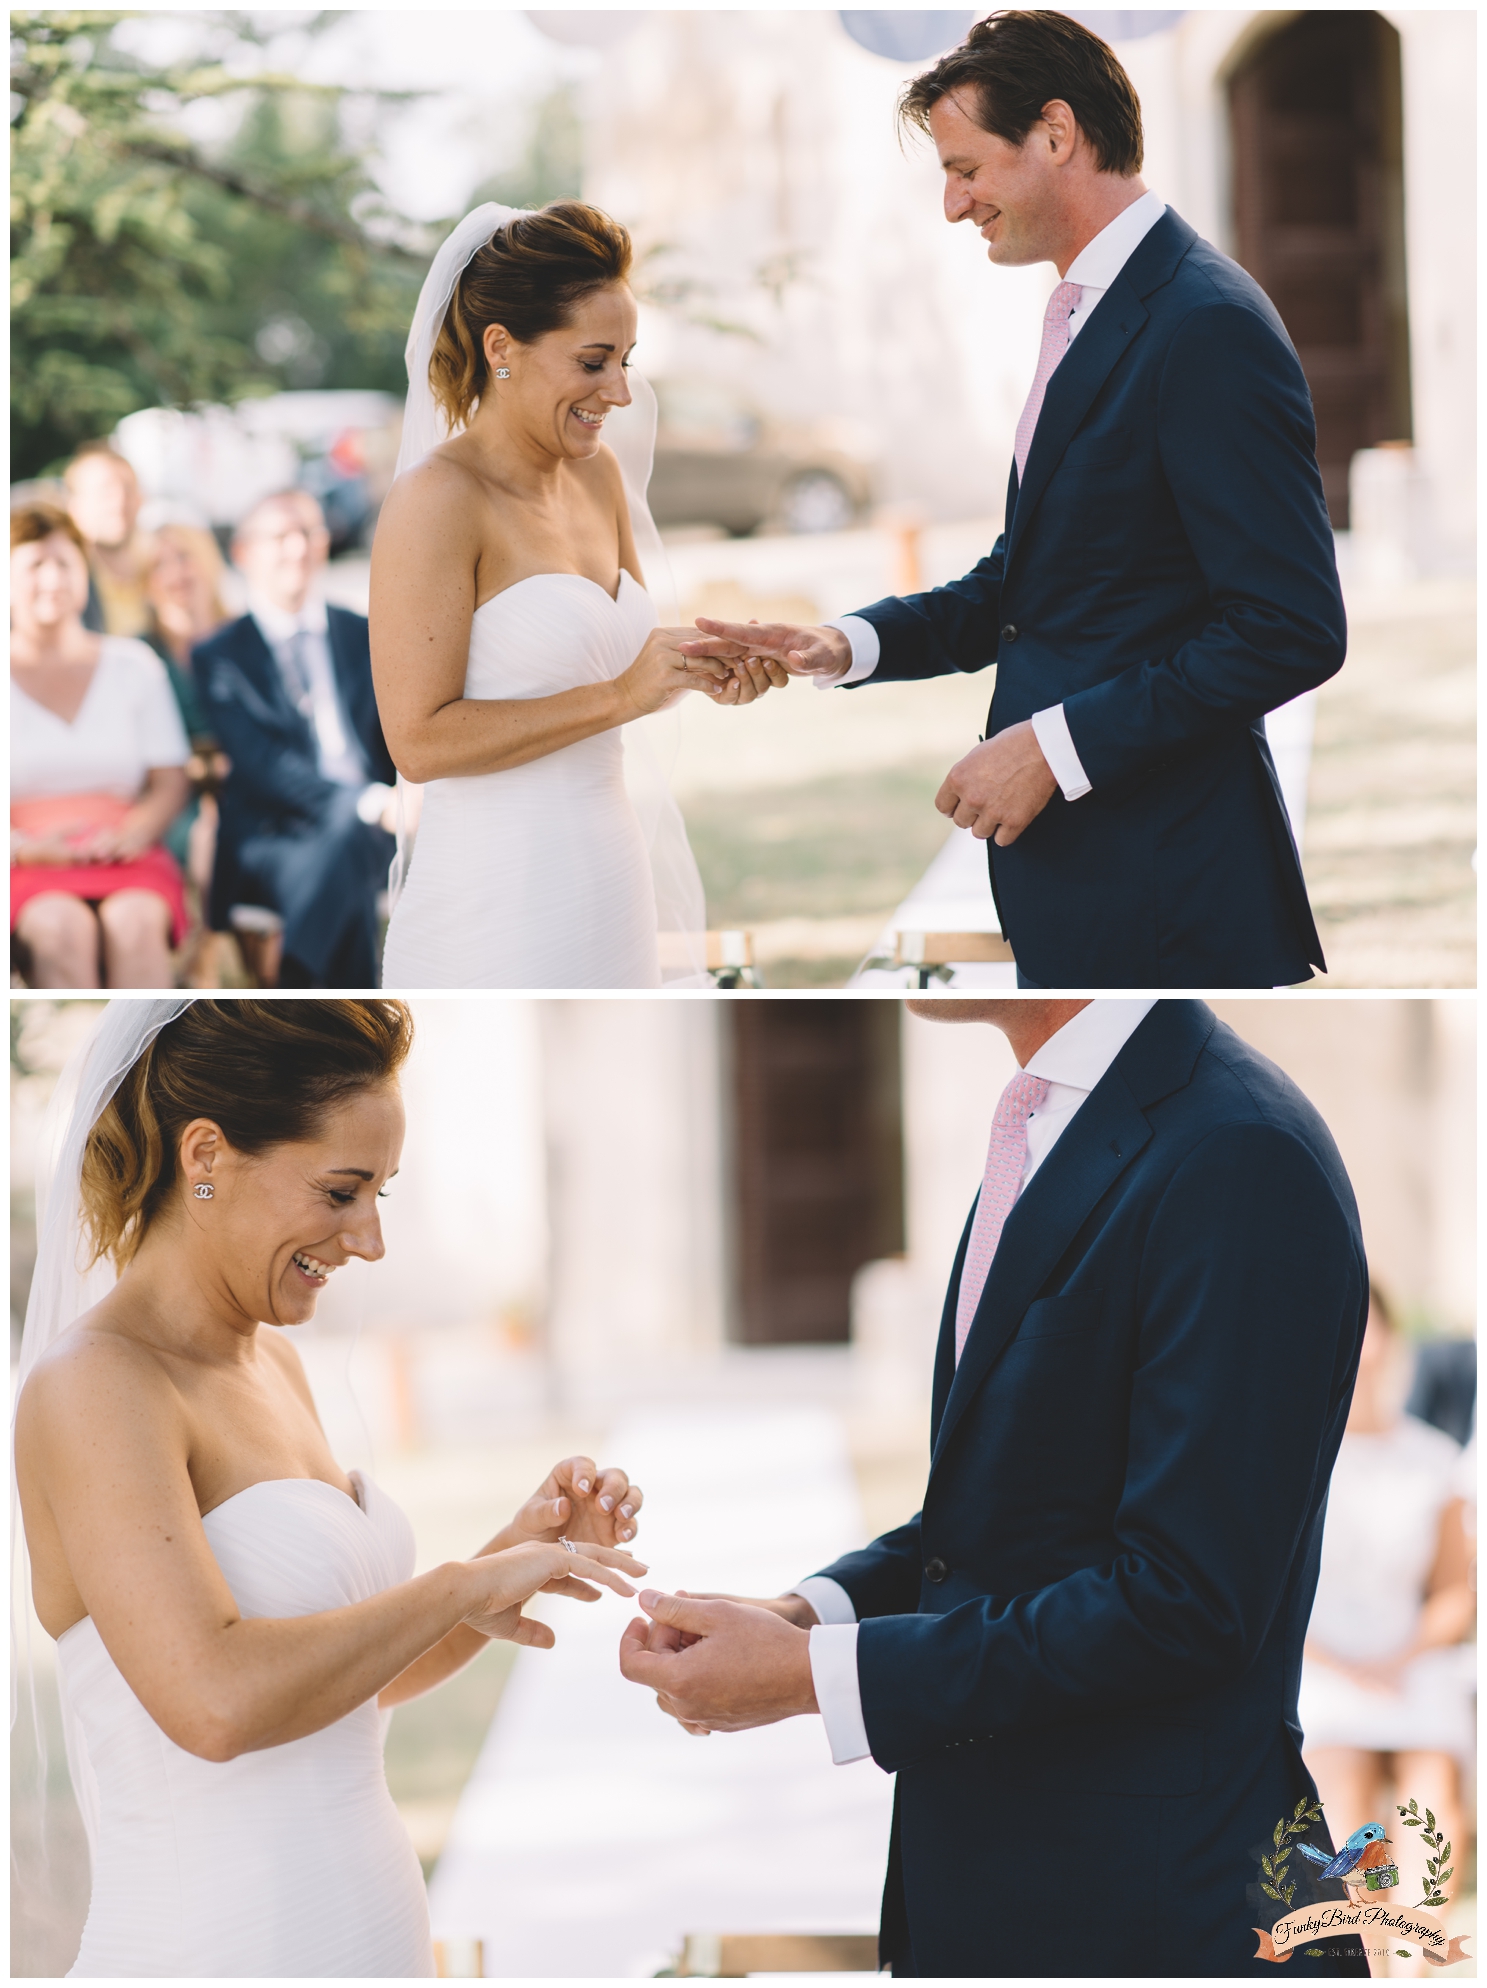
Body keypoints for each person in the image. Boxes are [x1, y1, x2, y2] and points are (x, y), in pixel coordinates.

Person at [620, 999, 1372, 1977]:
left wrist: (818, 1676)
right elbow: (1020, 1501)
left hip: (1152, 1912)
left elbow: (1182, 1599)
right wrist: (807, 1614)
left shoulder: (1237, 1154)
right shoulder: (1051, 1117)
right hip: (1003, 1892)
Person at [681, 12, 1346, 990]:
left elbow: (1288, 627)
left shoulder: (1202, 324)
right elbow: (1031, 581)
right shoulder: (1088, 309)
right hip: (1087, 893)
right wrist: (841, 643)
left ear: (1055, 134)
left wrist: (1050, 746)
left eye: (965, 168)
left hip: (1171, 896)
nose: (951, 205)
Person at [12, 998, 648, 1978]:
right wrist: (453, 1586)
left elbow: (350, 1684)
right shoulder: (97, 1382)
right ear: (206, 1155)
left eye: (382, 1191)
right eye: (343, 1189)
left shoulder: (270, 1363)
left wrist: (507, 1555)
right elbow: (215, 1703)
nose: (370, 1238)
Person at [372, 199, 786, 990]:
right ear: (502, 348)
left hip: (608, 873)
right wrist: (624, 694)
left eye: (626, 361)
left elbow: (626, 669)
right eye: (594, 362)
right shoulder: (438, 500)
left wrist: (710, 668)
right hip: (495, 895)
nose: (620, 393)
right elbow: (417, 743)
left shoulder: (596, 474)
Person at [1299, 1282, 1475, 1920]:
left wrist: (1401, 1657)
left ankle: (1416, 1961)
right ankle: (1363, 1960)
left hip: (1410, 1664)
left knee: (1432, 1807)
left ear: (1393, 1338)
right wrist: (1341, 1666)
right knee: (1342, 1800)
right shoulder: (1298, 1460)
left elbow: (1456, 1593)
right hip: (1319, 1665)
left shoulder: (1433, 1459)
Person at [193, 489, 398, 988]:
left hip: (374, 828)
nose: (297, 548)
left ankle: (292, 991)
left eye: (308, 532)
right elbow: (264, 765)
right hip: (274, 836)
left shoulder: (366, 633)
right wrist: (368, 803)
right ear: (243, 554)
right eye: (280, 536)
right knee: (346, 845)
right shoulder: (219, 656)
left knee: (347, 846)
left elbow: (397, 736)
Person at [11, 503, 191, 988]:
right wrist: (25, 849)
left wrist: (136, 831)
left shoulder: (134, 665)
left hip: (125, 853)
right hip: (25, 861)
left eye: (64, 564)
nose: (52, 580)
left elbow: (169, 781)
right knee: (59, 928)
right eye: (34, 566)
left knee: (134, 924)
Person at [142, 521, 232, 884]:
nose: (175, 573)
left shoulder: (245, 636)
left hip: (251, 786)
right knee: (204, 839)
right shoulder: (139, 655)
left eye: (184, 557)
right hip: (174, 798)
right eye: (158, 566)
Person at [63, 443, 153, 638]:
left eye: (128, 488)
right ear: (75, 507)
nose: (119, 500)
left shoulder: (164, 569)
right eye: (105, 492)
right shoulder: (61, 587)